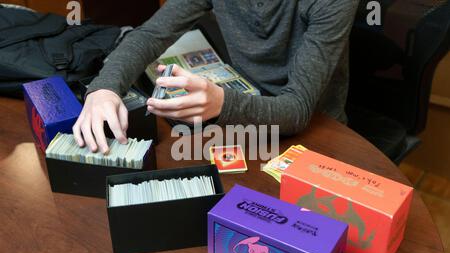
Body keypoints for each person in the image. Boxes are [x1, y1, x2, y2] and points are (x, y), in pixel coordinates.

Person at [73, 0, 359, 154]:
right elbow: (150, 35)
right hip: (244, 109)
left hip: (317, 132)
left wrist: (222, 104)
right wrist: (104, 88)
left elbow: (297, 109)